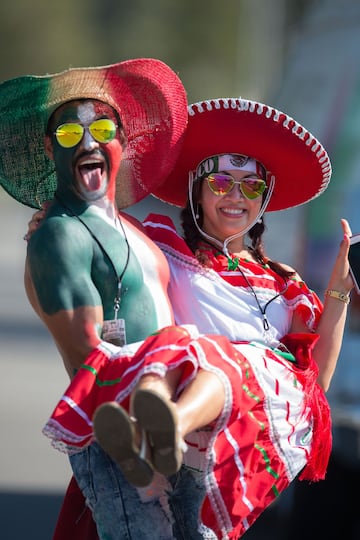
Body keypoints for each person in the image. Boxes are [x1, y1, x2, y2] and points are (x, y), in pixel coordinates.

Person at [31, 97, 354, 539]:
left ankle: (168, 427)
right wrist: (57, 221)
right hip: (146, 445)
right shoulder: (161, 245)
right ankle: (156, 431)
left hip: (230, 460)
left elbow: (315, 383)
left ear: (265, 199)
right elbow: (95, 230)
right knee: (192, 350)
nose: (236, 197)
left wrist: (339, 289)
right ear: (196, 191)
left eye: (251, 187)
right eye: (221, 182)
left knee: (225, 358)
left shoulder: (285, 286)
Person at [0, 58, 190, 539]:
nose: (87, 142)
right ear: (49, 148)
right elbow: (89, 355)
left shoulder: (132, 230)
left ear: (122, 142)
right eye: (69, 135)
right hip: (123, 436)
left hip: (174, 428)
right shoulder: (59, 237)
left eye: (102, 128)